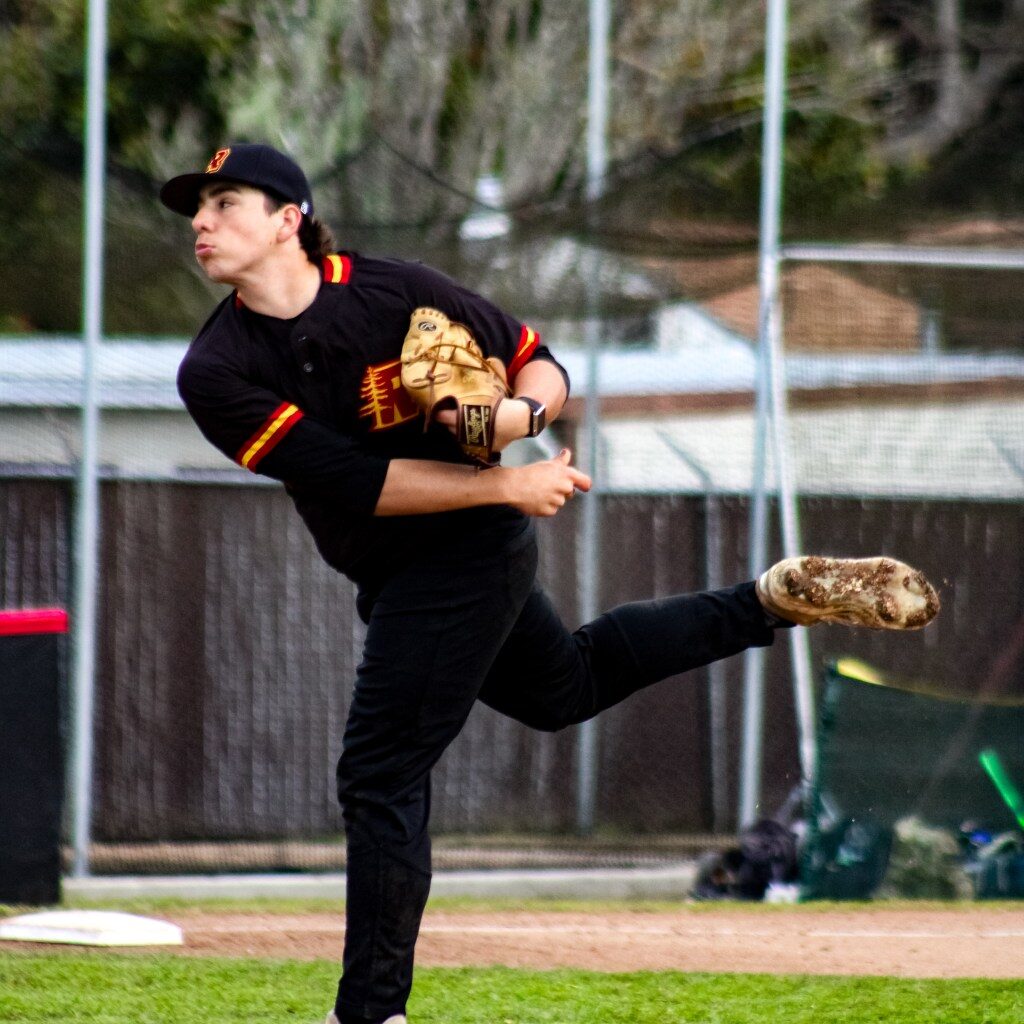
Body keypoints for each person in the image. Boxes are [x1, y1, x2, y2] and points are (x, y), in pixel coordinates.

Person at [160, 143, 940, 1024]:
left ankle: (372, 1012)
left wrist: (518, 417)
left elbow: (541, 360)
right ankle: (765, 600)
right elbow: (357, 483)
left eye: (226, 202)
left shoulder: (392, 289)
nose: (202, 222)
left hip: (464, 558)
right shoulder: (216, 370)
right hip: (408, 554)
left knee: (379, 772)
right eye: (198, 207)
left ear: (288, 219)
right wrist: (506, 478)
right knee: (564, 687)